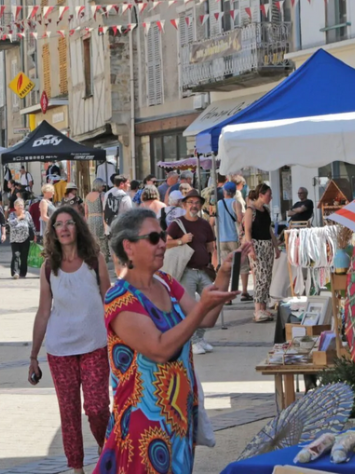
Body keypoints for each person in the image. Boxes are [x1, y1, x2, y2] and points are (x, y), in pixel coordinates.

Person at [95, 209, 241, 473]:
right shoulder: (119, 298)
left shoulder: (165, 281)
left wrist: (223, 274)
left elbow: (205, 319)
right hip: (144, 424)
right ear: (128, 246)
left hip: (177, 416)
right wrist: (201, 307)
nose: (163, 243)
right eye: (153, 238)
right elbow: (160, 349)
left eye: (162, 236)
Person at [29, 206, 110, 474]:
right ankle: (76, 467)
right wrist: (33, 356)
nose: (63, 228)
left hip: (95, 345)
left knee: (97, 407)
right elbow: (43, 312)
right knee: (69, 411)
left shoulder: (94, 260)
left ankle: (104, 444)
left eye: (69, 223)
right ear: (53, 231)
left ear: (79, 227)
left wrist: (121, 339)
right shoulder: (49, 267)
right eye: (58, 224)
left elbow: (109, 300)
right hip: (60, 349)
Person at [164, 190, 218, 355]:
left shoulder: (204, 224)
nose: (194, 205)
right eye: (190, 202)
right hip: (186, 272)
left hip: (203, 270)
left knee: (211, 305)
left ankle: (200, 338)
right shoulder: (177, 224)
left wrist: (213, 264)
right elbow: (165, 243)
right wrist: (181, 240)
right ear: (184, 205)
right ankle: (193, 341)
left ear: (200, 205)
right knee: (190, 309)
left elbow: (211, 246)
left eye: (196, 203)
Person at [243, 185, 275, 323]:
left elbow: (269, 229)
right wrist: (251, 248)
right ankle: (257, 309)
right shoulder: (251, 210)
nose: (271, 197)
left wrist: (276, 247)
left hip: (267, 245)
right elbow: (248, 230)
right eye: (269, 194)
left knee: (267, 277)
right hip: (257, 245)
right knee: (260, 277)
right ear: (261, 195)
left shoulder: (266, 210)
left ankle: (263, 307)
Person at [8, 198, 35, 279]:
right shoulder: (12, 214)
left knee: (24, 257)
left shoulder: (27, 214)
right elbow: (11, 224)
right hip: (15, 239)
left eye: (22, 205)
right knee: (16, 255)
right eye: (19, 205)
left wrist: (34, 235)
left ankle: (23, 273)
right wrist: (19, 218)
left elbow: (31, 224)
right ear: (15, 206)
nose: (20, 207)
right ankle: (15, 273)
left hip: (25, 238)